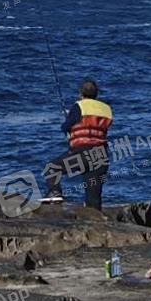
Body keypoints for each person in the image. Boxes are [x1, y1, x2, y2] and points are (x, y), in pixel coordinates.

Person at [40, 79, 112, 210]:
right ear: (97, 94)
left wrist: (69, 118)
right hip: (101, 156)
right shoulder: (106, 109)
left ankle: (54, 193)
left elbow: (66, 127)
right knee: (94, 201)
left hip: (82, 153)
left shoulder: (79, 107)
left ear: (81, 93)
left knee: (52, 168)